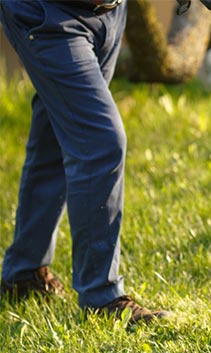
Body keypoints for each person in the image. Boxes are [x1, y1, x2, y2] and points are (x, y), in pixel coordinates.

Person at [0, 0, 168, 324]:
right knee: (99, 142)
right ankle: (101, 298)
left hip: (109, 12)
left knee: (58, 132)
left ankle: (24, 274)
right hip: (48, 15)